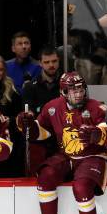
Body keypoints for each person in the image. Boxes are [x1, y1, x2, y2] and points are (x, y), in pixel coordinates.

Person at [15, 72, 107, 214]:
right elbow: (41, 132)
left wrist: (97, 134)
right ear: (63, 92)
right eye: (73, 91)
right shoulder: (52, 107)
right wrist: (28, 126)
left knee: (81, 187)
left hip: (92, 156)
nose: (78, 94)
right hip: (66, 155)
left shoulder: (97, 107)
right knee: (45, 175)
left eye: (81, 89)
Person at [22, 47, 62, 175]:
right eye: (47, 62)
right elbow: (28, 113)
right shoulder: (29, 87)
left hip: (62, 137)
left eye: (54, 61)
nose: (51, 65)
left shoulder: (66, 85)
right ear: (40, 63)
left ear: (59, 61)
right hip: (39, 140)